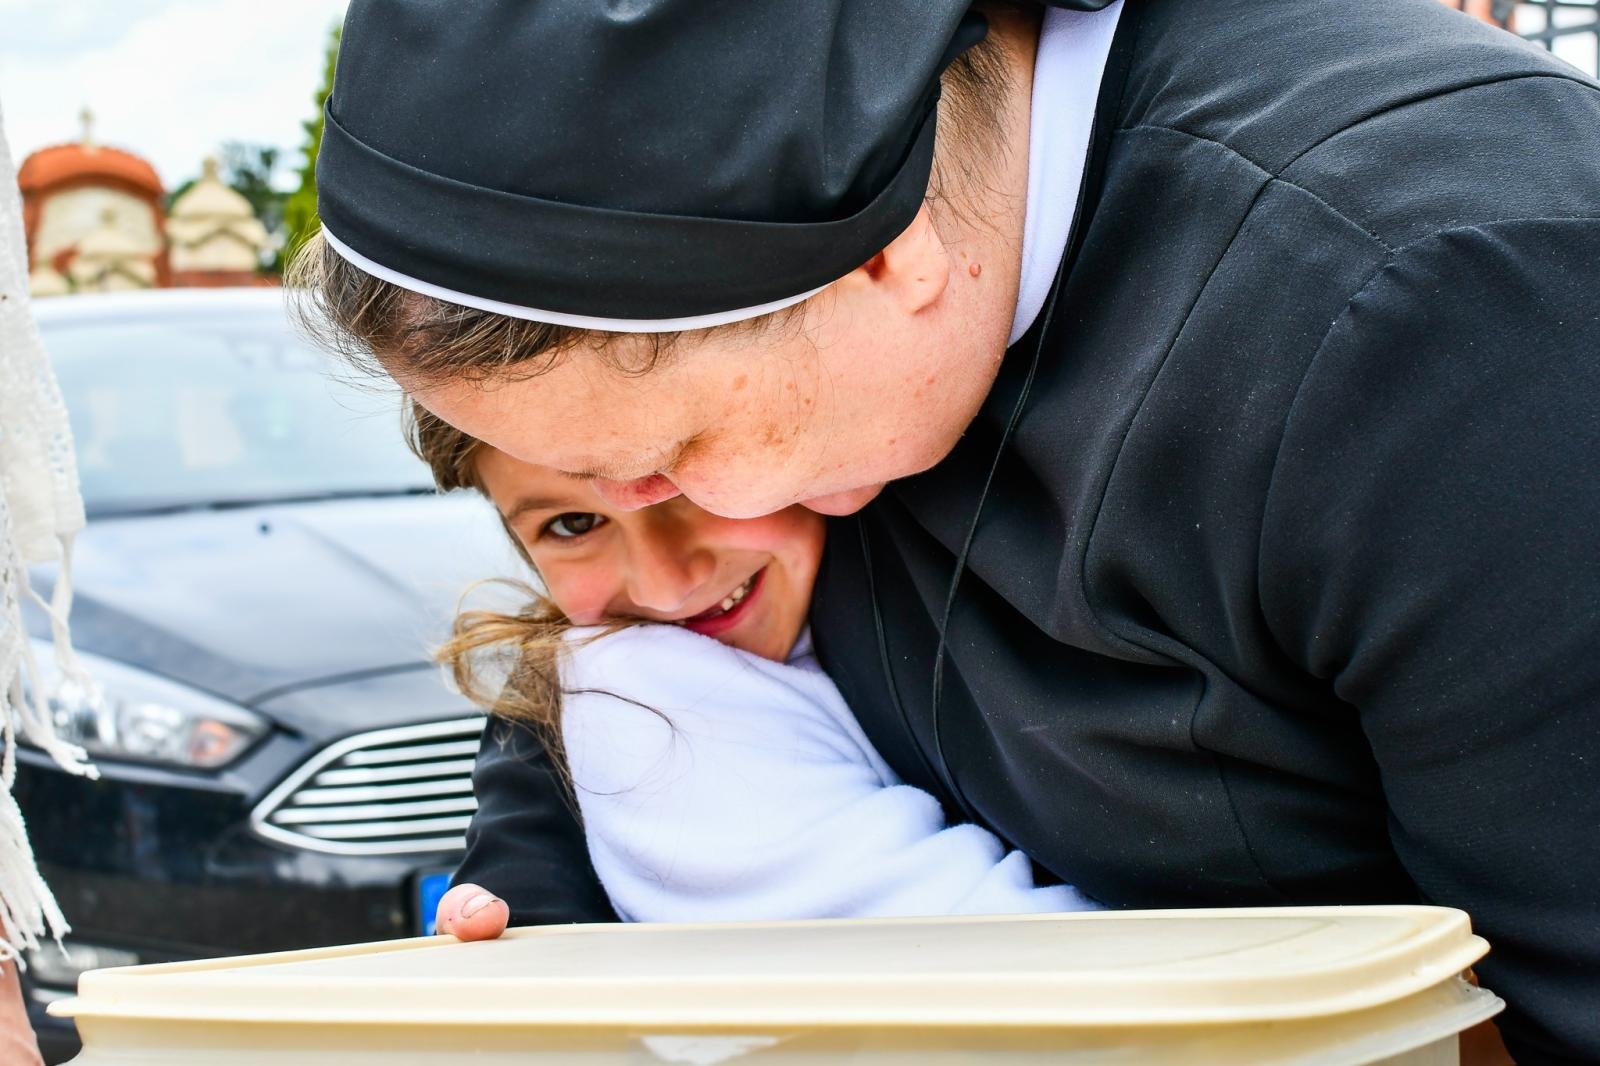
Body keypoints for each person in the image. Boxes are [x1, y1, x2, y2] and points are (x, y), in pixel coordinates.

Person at [295, 0, 1600, 1060]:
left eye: (672, 457)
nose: (673, 538)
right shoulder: (839, 323)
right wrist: (552, 887)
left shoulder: (1440, 304)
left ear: (887, 251)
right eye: (586, 500)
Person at [398, 407, 1096, 936]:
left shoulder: (973, 531)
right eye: (574, 525)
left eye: (682, 483)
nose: (667, 585)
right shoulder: (632, 693)